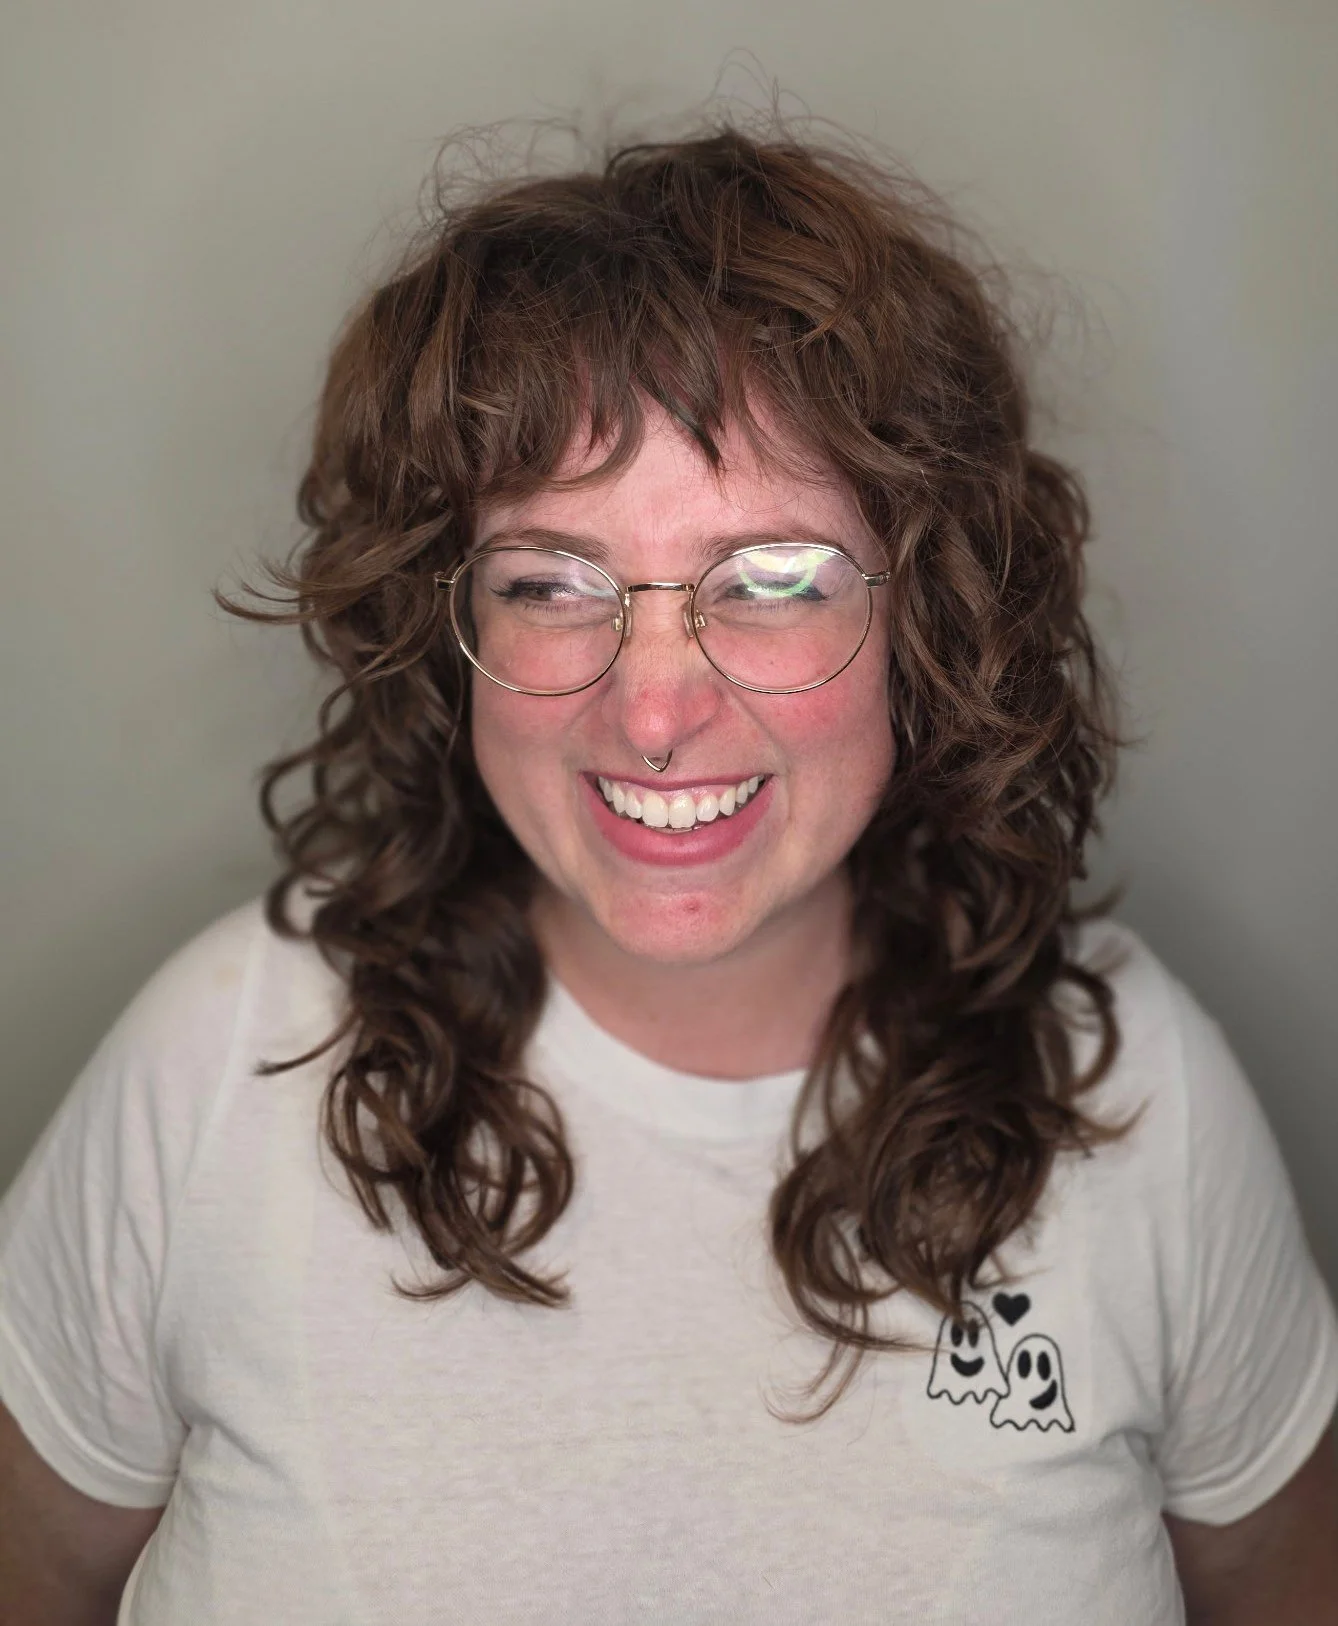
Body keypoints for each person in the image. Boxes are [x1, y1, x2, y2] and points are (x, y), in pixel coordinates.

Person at [1, 121, 1336, 1626]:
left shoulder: (1138, 1093)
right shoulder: (217, 1064)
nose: (650, 707)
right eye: (550, 581)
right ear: (451, 627)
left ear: (932, 625)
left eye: (771, 579)